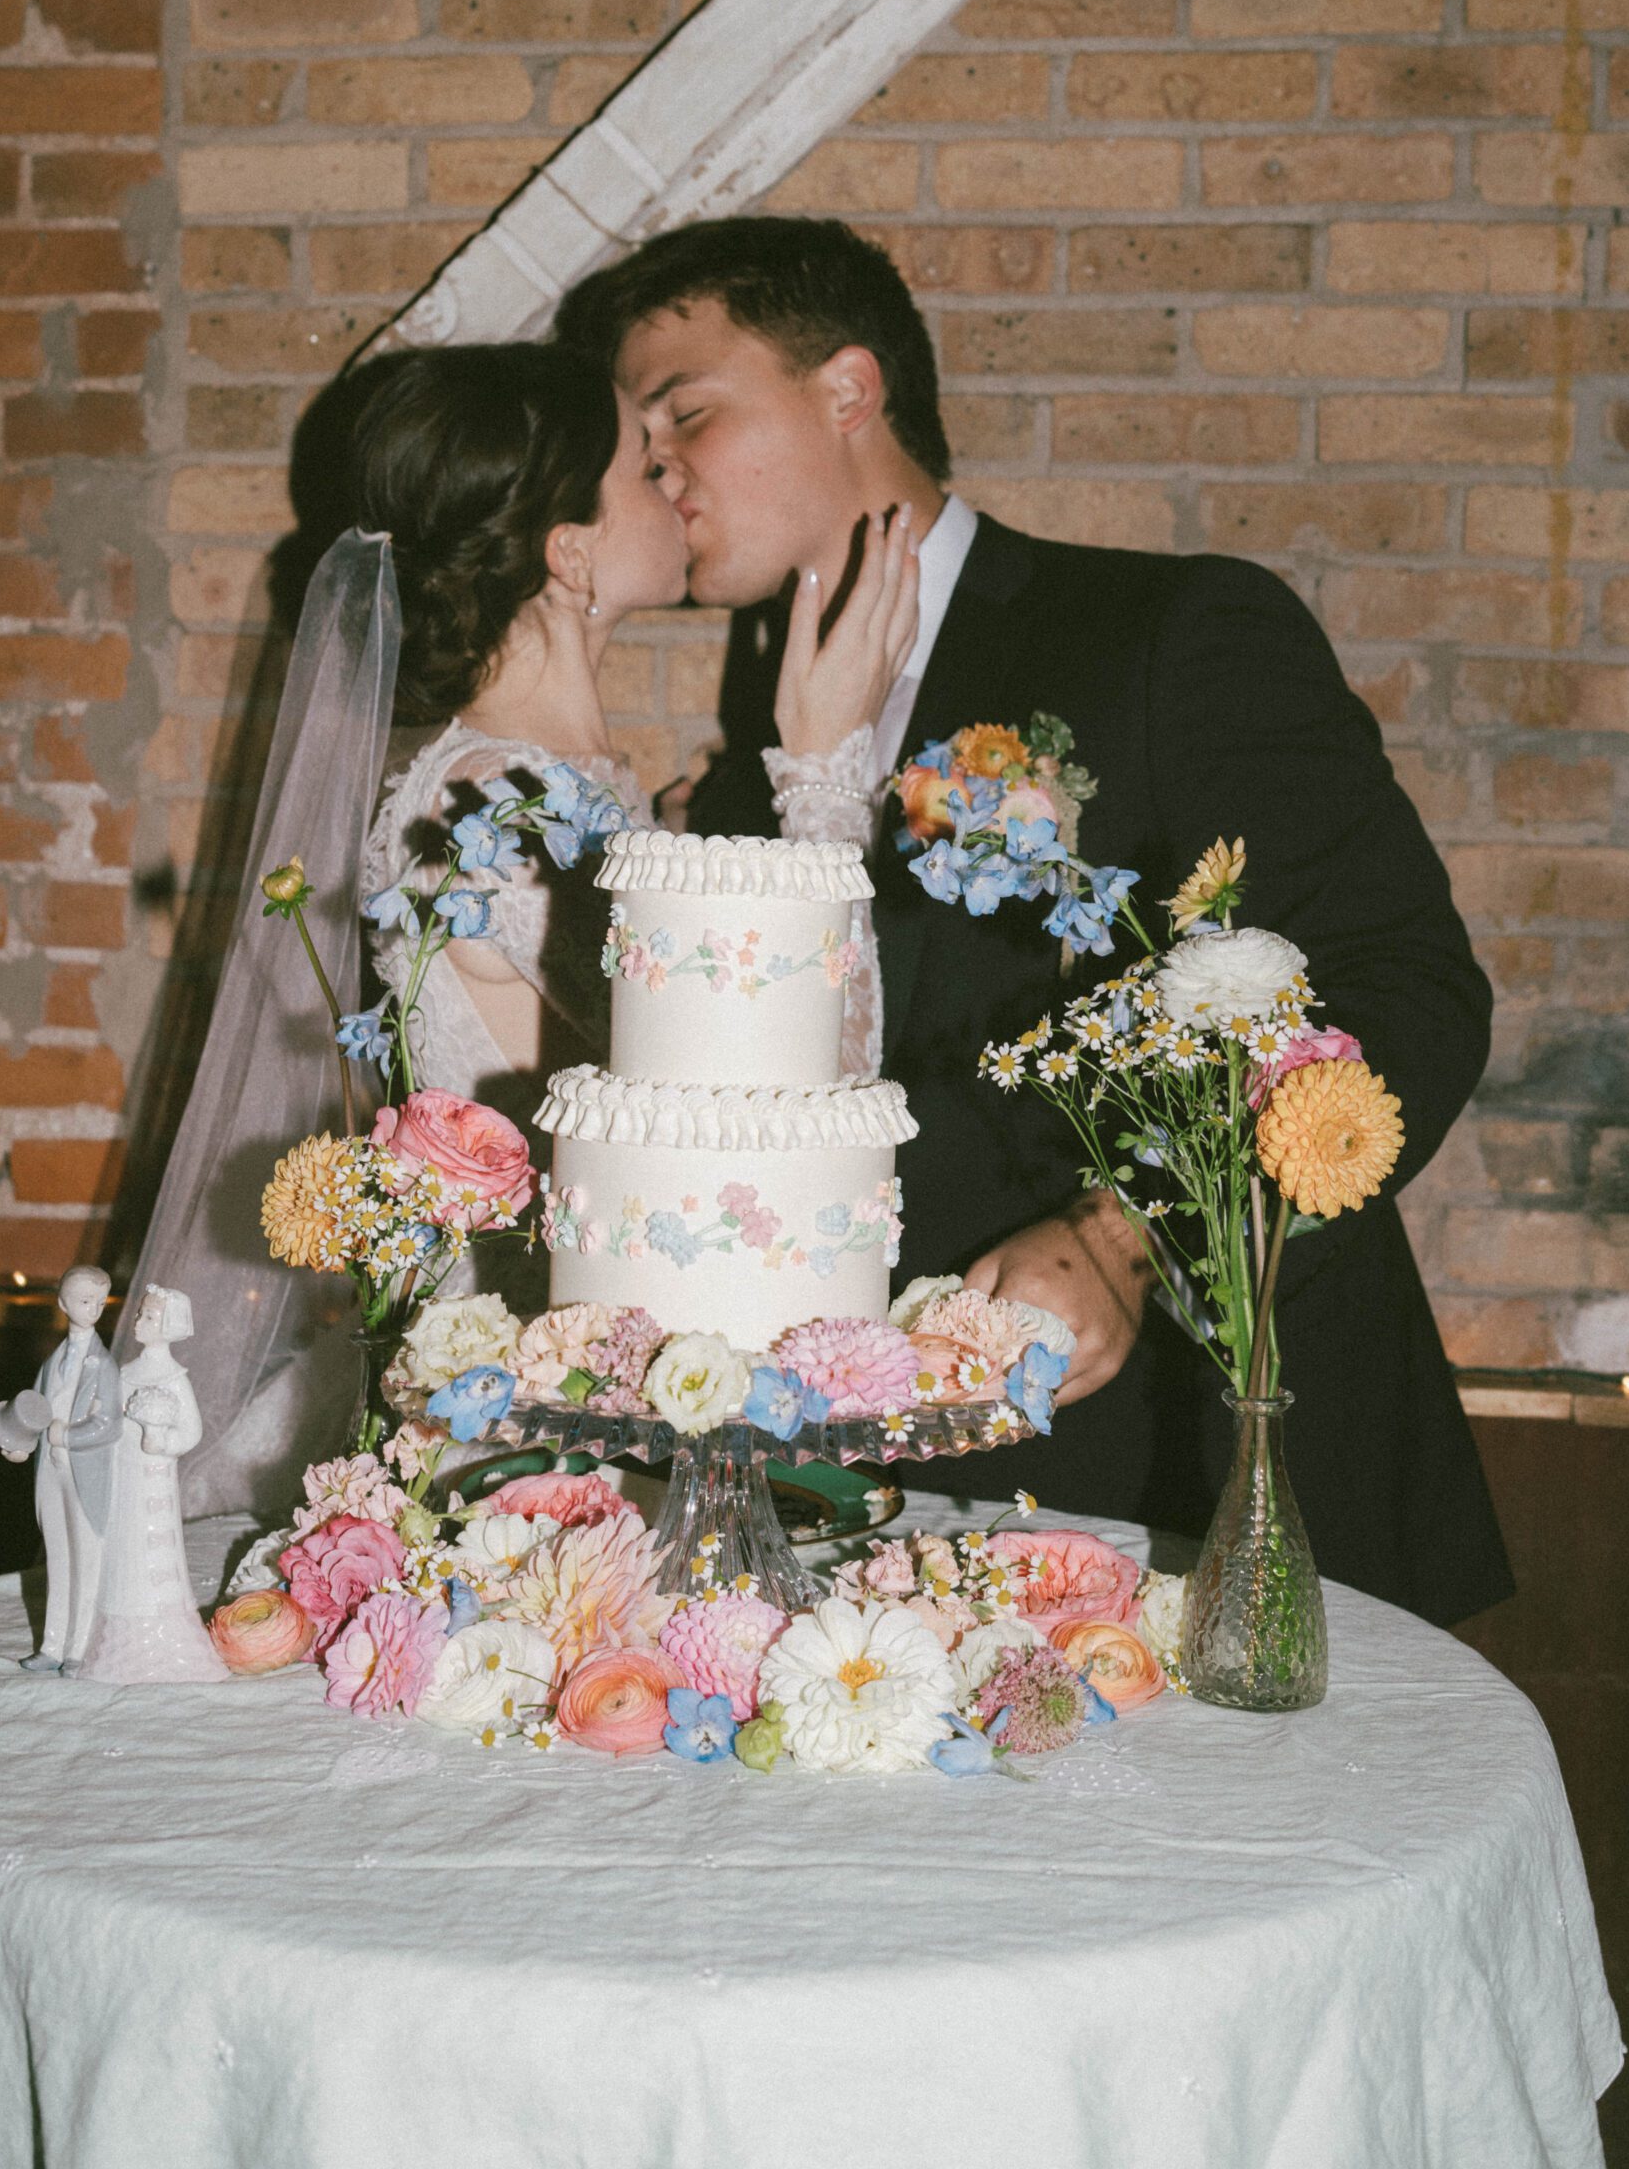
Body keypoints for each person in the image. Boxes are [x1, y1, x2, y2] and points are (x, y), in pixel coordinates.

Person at [555, 215, 1511, 1627]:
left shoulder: (1166, 630)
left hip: (1222, 1479)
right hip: (914, 1535)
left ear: (848, 390)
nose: (658, 472)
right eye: (639, 448)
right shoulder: (755, 777)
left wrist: (1124, 1236)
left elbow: (1407, 992)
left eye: (685, 414)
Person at [352, 338, 917, 1310]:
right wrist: (824, 775)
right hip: (543, 1410)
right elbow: (799, 1078)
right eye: (647, 470)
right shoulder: (496, 806)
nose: (679, 483)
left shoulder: (555, 782)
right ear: (570, 552)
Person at [78, 1284, 228, 1684]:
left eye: (148, 1316)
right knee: (123, 1546)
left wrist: (161, 1440)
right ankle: (117, 1642)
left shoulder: (174, 1378)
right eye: (141, 1314)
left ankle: (162, 1640)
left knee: (154, 1549)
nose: (139, 1321)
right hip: (124, 1474)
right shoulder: (126, 1372)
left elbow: (192, 1431)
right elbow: (109, 1419)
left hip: (154, 1479)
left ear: (168, 1326)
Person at [0, 1262, 123, 1671]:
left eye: (100, 1302)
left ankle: (78, 1649)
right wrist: (22, 1447)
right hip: (51, 1472)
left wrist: (68, 1436)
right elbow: (37, 1411)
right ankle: (51, 1647)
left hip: (86, 1475)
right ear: (63, 1302)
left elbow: (109, 1424)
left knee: (87, 1561)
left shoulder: (105, 1366)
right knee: (58, 1560)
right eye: (85, 1301)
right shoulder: (53, 1361)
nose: (93, 1309)